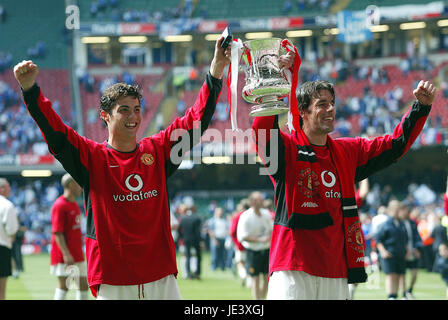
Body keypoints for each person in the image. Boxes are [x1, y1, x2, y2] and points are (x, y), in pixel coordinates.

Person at [14, 37, 231, 300]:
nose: (133, 117)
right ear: (105, 116)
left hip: (160, 275)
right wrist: (30, 90)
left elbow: (196, 120)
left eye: (137, 110)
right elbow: (56, 133)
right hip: (114, 279)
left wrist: (216, 69)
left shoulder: (158, 150)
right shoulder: (92, 157)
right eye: (124, 110)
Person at [253, 50, 436, 299]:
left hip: (335, 270)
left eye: (332, 104)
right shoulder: (287, 150)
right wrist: (272, 80)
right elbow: (263, 130)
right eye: (321, 104)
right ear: (303, 112)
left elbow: (394, 145)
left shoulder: (348, 151)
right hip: (292, 266)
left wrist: (420, 108)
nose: (330, 109)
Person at [50, 173, 89, 300]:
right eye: (78, 184)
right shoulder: (60, 205)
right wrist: (66, 254)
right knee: (64, 286)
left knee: (83, 285)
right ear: (71, 185)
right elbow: (57, 232)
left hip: (77, 253)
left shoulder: (74, 204)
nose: (81, 188)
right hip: (65, 256)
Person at [237, 192, 273, 300]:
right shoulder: (246, 216)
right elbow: (242, 236)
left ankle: (262, 298)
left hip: (266, 249)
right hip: (253, 251)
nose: (262, 201)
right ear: (253, 202)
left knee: (267, 277)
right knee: (255, 278)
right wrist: (259, 239)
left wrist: (269, 237)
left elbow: (272, 229)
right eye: (259, 199)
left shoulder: (266, 213)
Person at [376, 200, 409, 300]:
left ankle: (395, 294)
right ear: (390, 210)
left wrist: (407, 251)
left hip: (400, 253)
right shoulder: (385, 224)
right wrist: (383, 251)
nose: (397, 212)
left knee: (399, 275)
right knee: (391, 275)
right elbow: (378, 240)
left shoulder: (401, 224)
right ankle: (391, 295)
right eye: (395, 210)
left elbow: (405, 239)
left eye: (398, 210)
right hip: (389, 253)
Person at [398, 202, 422, 299]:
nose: (407, 212)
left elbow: (417, 236)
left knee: (415, 273)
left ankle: (410, 290)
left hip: (413, 251)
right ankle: (404, 294)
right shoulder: (398, 223)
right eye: (405, 210)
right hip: (402, 252)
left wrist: (417, 248)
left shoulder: (412, 222)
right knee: (402, 274)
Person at [0, 178, 19, 300]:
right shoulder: (7, 205)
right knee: (1, 290)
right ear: (1, 189)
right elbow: (12, 229)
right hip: (2, 248)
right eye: (7, 186)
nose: (10, 189)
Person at [229, 198, 250, 286]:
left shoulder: (237, 216)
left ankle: (243, 275)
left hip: (240, 243)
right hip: (252, 244)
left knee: (240, 262)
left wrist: (235, 241)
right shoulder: (251, 215)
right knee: (249, 263)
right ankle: (249, 280)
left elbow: (232, 231)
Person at [178, 205, 202, 280]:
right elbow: (198, 231)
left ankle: (188, 274)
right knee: (198, 257)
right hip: (195, 239)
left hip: (186, 239)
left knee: (188, 256)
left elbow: (179, 230)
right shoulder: (196, 218)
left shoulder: (183, 218)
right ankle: (197, 273)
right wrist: (200, 240)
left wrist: (182, 237)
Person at [208, 207, 228, 272]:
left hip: (223, 239)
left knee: (223, 254)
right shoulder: (212, 220)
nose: (220, 213)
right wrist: (214, 240)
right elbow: (210, 231)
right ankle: (214, 267)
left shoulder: (224, 220)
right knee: (215, 255)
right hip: (215, 239)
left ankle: (222, 267)